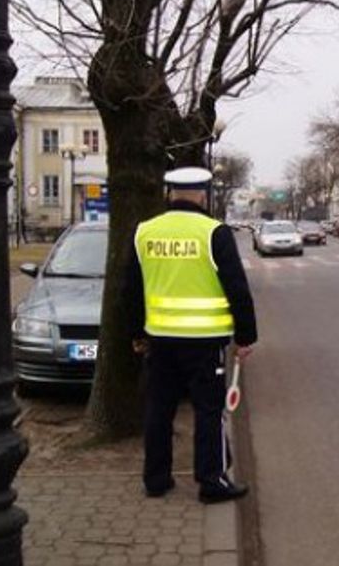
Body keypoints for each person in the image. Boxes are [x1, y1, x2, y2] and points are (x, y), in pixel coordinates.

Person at [125, 166, 257, 504]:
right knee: (209, 412)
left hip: (160, 340)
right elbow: (237, 289)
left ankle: (155, 479)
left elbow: (131, 290)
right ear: (202, 194)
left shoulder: (144, 232)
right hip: (205, 342)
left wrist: (137, 333)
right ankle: (211, 482)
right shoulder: (214, 232)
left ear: (170, 193)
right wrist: (246, 337)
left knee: (158, 410)